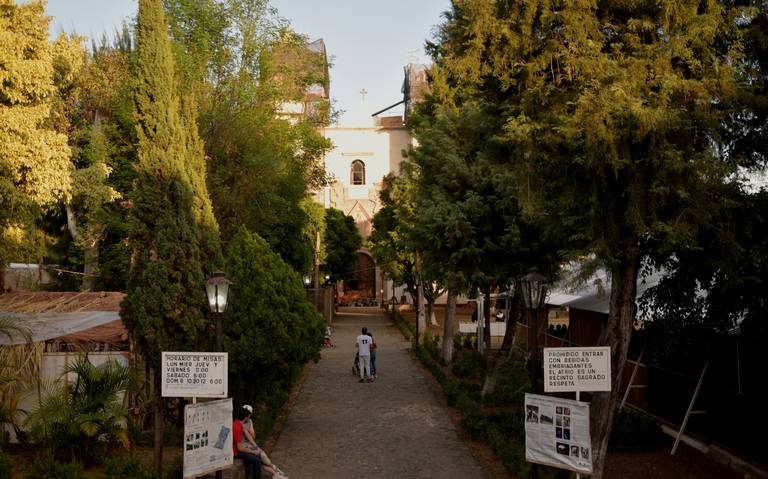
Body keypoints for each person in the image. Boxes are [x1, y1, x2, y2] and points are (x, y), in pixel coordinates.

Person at [235, 405, 288, 478]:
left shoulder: (247, 422)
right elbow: (240, 447)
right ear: (246, 416)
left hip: (247, 445)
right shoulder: (237, 426)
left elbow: (251, 437)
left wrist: (256, 447)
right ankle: (275, 472)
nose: (250, 416)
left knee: (261, 455)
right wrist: (253, 451)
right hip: (241, 448)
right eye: (249, 415)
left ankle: (275, 472)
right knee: (259, 459)